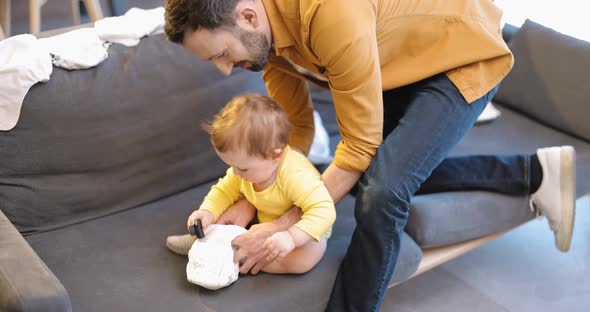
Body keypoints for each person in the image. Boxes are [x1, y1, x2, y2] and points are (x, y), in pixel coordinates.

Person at [163, 0, 576, 310]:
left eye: (220, 54)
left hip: (461, 54)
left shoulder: (328, 11)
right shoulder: (268, 44)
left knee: (381, 192)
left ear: (248, 17)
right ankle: (535, 173)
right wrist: (246, 199)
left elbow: (358, 149)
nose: (223, 69)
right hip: (399, 60)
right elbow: (295, 136)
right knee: (376, 171)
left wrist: (287, 226)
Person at [167, 93, 336, 274]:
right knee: (227, 206)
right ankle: (202, 238)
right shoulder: (246, 168)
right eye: (231, 166)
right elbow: (223, 191)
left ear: (275, 155)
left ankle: (228, 256)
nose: (236, 173)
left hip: (304, 233)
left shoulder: (295, 175)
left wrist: (292, 237)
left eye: (243, 169)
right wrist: (207, 211)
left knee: (300, 262)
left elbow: (324, 211)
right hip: (263, 216)